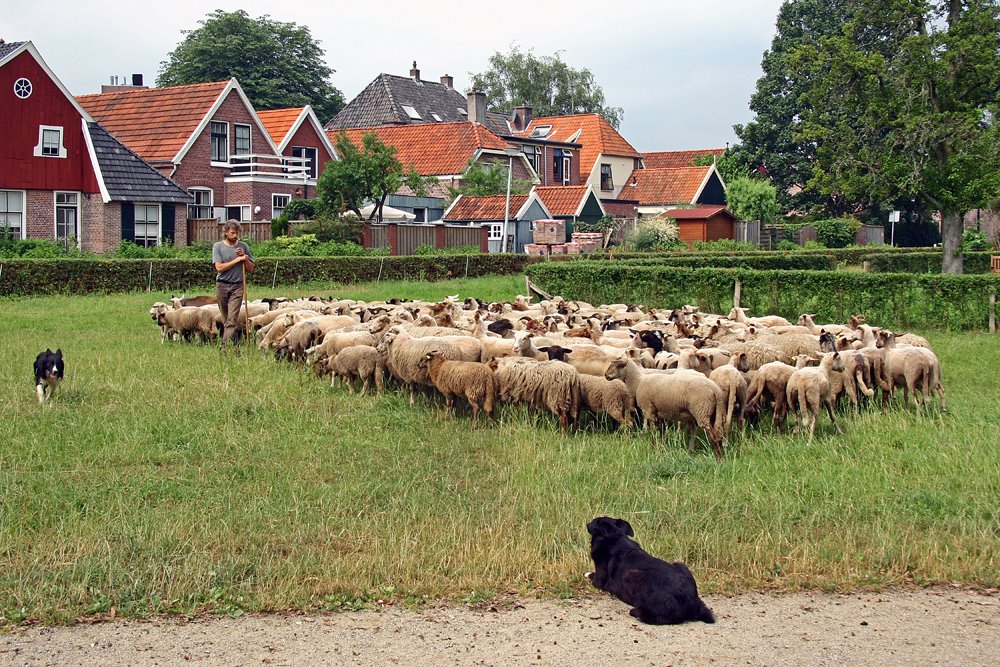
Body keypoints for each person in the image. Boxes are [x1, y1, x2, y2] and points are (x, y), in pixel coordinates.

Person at [212, 220, 255, 348]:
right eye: (232, 233)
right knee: (226, 320)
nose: (235, 235)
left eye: (237, 233)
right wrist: (237, 259)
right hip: (222, 286)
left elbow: (251, 268)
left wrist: (245, 258)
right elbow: (219, 268)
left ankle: (224, 348)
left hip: (237, 286)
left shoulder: (243, 246)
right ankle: (236, 347)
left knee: (231, 320)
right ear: (226, 232)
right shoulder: (218, 247)